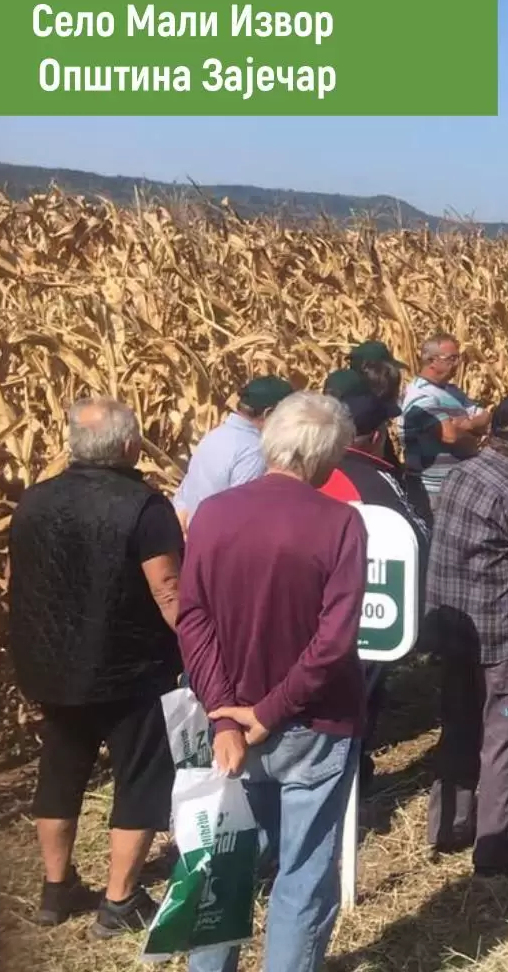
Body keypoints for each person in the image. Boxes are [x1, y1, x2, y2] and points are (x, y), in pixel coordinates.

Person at [175, 392, 367, 972]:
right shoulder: (340, 524)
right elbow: (333, 642)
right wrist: (271, 711)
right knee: (303, 870)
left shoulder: (213, 514)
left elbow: (194, 618)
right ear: (328, 460)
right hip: (314, 722)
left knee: (224, 858)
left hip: (232, 721)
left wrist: (225, 714)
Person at [7, 397, 184, 937]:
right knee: (140, 778)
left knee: (60, 771)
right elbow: (169, 591)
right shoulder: (144, 507)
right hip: (130, 670)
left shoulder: (34, 501)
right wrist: (203, 648)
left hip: (52, 668)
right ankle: (120, 901)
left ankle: (56, 889)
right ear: (129, 446)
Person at [422, 398, 508, 877]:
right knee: (506, 734)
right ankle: (497, 848)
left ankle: (449, 825)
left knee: (459, 724)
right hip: (499, 632)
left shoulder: (461, 472)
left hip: (452, 624)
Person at [316, 390, 433, 794]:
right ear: (377, 434)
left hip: (373, 609)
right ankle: (344, 775)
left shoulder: (358, 471)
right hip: (368, 611)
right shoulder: (344, 477)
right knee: (353, 701)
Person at [173, 375, 293, 529]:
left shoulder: (214, 436)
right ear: (269, 414)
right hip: (216, 543)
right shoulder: (255, 452)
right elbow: (241, 516)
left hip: (196, 538)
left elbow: (184, 496)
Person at [402, 334, 490, 508]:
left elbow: (486, 417)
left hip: (457, 490)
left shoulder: (453, 392)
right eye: (452, 358)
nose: (458, 364)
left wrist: (468, 425)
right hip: (432, 493)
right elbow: (449, 435)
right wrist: (469, 429)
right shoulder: (420, 394)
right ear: (432, 361)